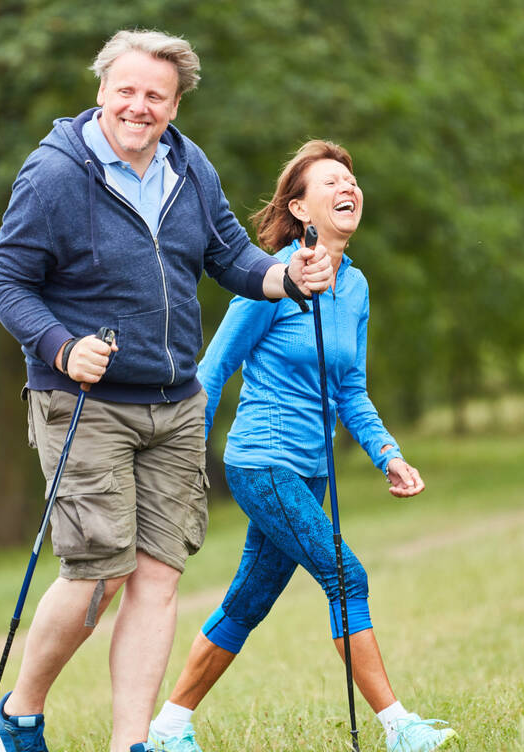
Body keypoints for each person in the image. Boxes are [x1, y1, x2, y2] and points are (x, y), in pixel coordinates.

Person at [0, 30, 332, 752]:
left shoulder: (187, 164)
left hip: (175, 403)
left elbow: (232, 257)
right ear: (101, 90)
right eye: (127, 91)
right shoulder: (54, 175)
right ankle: (20, 710)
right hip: (85, 401)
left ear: (175, 105)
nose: (139, 107)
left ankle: (131, 743)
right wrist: (60, 344)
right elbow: (4, 282)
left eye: (156, 96)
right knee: (97, 572)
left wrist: (288, 278)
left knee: (158, 577)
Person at [147, 140, 457, 752]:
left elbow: (351, 390)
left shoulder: (357, 288)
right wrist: (182, 459)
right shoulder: (269, 281)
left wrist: (388, 454)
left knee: (249, 599)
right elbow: (211, 372)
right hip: (262, 463)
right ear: (301, 208)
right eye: (331, 181)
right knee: (348, 577)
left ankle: (168, 727)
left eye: (352, 179)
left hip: (310, 472)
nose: (349, 188)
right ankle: (400, 727)